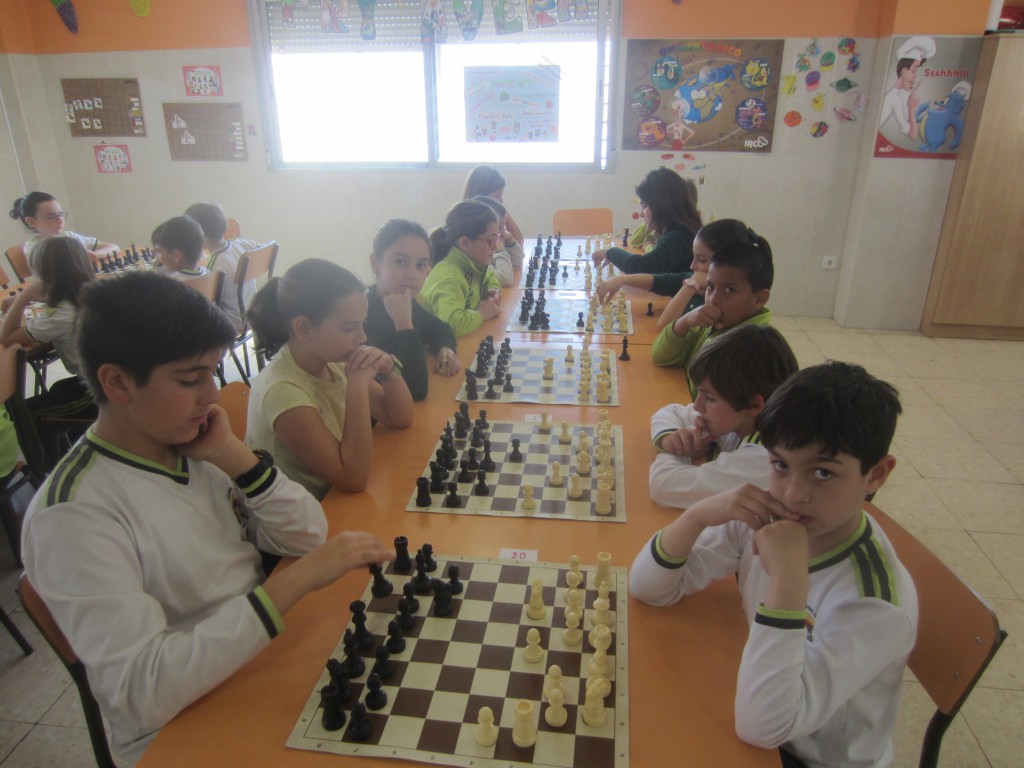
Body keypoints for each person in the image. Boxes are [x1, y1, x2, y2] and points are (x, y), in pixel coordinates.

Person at [19, 270, 393, 764]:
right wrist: (296, 581)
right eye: (189, 380)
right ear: (117, 382)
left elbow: (307, 534)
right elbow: (144, 692)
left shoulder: (193, 445)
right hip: (178, 729)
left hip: (257, 657)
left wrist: (234, 456)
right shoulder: (72, 516)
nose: (212, 396)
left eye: (211, 374)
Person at [630, 362, 916, 768]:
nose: (793, 494)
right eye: (780, 464)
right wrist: (697, 515)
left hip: (808, 756)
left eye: (822, 472)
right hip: (755, 700)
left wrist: (788, 583)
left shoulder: (874, 604)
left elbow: (763, 727)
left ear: (876, 474)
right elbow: (647, 587)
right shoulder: (770, 512)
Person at [247, 258, 413, 500]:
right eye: (349, 328)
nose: (363, 337)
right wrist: (357, 386)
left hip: (335, 498)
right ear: (304, 329)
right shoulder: (282, 391)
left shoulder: (332, 358)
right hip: (303, 512)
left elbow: (400, 418)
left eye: (363, 324)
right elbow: (353, 478)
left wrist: (388, 372)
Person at [650, 325, 798, 509]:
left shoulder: (762, 460)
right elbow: (670, 412)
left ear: (754, 405)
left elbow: (664, 486)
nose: (697, 405)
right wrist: (669, 436)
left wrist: (680, 450)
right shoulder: (741, 419)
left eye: (710, 398)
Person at [0, 237, 98, 467]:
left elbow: (6, 337)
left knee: (26, 415)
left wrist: (24, 296)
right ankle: (73, 452)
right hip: (114, 380)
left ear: (45, 274)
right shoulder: (93, 292)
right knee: (57, 390)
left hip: (95, 391)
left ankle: (48, 470)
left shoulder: (60, 313)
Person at [596, 219, 772, 332]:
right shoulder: (700, 281)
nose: (692, 265)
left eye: (701, 259)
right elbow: (661, 281)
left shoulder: (716, 303)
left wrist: (690, 286)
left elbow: (663, 327)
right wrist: (622, 280)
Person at [651, 240, 774, 399]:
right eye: (710, 287)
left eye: (729, 290)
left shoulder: (751, 352)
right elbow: (660, 357)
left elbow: (706, 404)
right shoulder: (711, 323)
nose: (713, 299)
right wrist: (683, 323)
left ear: (759, 299)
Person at [363, 218, 460, 401]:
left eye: (420, 265)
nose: (412, 275)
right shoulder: (362, 317)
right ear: (375, 264)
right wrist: (404, 323)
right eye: (400, 262)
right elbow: (414, 389)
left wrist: (445, 348)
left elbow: (438, 328)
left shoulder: (404, 301)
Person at [590, 169, 702, 275]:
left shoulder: (680, 236)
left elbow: (642, 266)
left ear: (661, 205)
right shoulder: (681, 230)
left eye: (644, 206)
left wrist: (609, 253)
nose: (641, 214)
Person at [418, 200, 502, 338]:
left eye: (496, 238)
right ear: (465, 243)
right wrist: (481, 314)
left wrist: (494, 289)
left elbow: (489, 275)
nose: (496, 246)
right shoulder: (449, 278)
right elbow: (451, 325)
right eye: (490, 240)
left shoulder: (472, 263)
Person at [184, 202, 260, 333]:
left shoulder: (214, 265)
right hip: (253, 314)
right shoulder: (242, 244)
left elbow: (204, 299)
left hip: (230, 324)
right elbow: (262, 249)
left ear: (199, 235)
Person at [9, 191, 118, 270]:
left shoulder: (68, 236)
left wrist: (96, 255)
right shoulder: (34, 248)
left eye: (61, 214)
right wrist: (87, 257)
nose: (60, 221)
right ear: (32, 222)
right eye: (51, 217)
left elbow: (114, 247)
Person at [462, 164, 524, 257]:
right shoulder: (471, 225)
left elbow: (519, 241)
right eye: (498, 196)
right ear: (482, 197)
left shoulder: (496, 216)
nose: (501, 201)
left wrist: (500, 211)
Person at [471, 195, 524, 288]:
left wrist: (510, 242)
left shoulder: (492, 243)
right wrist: (500, 251)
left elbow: (517, 264)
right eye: (499, 227)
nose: (503, 232)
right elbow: (505, 279)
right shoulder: (477, 256)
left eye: (504, 226)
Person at [152, 215, 208, 280]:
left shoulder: (171, 283)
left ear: (176, 256)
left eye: (158, 251)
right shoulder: (208, 273)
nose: (156, 256)